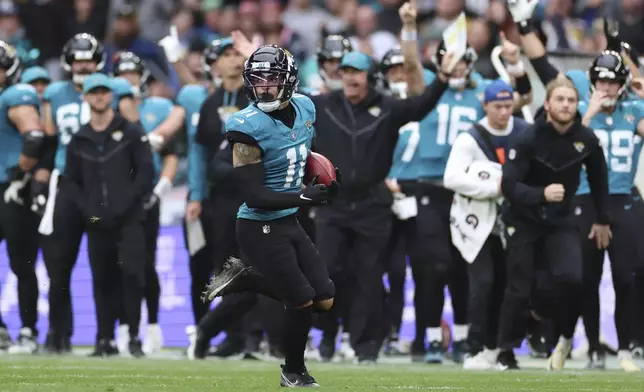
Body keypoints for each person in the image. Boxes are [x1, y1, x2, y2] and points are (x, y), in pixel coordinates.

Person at [505, 0, 644, 371]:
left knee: (628, 276)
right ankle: (588, 343)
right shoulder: (575, 100)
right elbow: (543, 66)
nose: (607, 86)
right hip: (582, 198)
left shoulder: (634, 107)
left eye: (614, 80)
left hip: (624, 199)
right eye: (602, 80)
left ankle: (627, 346)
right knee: (585, 277)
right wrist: (522, 24)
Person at [202, 45, 338, 387]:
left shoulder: (306, 106)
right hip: (257, 223)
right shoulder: (246, 125)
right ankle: (293, 371)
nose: (264, 87)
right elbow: (253, 193)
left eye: (272, 79)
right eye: (257, 81)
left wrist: (319, 179)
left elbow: (302, 155)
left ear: (289, 80)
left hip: (288, 219)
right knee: (301, 299)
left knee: (324, 298)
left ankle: (246, 279)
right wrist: (303, 196)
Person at [496, 77, 611, 370]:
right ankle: (505, 352)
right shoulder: (527, 138)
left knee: (572, 279)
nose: (566, 105)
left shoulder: (587, 139)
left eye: (571, 101)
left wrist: (602, 220)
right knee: (519, 288)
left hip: (560, 221)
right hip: (523, 219)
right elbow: (508, 185)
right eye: (560, 100)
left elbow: (599, 182)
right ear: (547, 105)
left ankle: (558, 335)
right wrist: (540, 194)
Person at [38, 33, 137, 354]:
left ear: (99, 62)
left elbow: (134, 136)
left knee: (106, 265)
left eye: (89, 59)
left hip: (104, 187)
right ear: (69, 61)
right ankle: (58, 333)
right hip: (67, 183)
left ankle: (107, 335)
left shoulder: (114, 90)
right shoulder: (55, 93)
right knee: (58, 263)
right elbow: (49, 139)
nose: (83, 65)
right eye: (78, 59)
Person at [65, 73, 154, 358]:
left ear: (111, 96)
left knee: (132, 275)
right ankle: (104, 338)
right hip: (96, 221)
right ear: (86, 97)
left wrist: (126, 203)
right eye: (94, 92)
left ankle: (133, 336)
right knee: (101, 278)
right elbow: (72, 182)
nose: (99, 96)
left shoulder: (130, 132)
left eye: (104, 91)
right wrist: (88, 211)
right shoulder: (79, 139)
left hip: (129, 218)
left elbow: (145, 173)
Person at [443, 80, 530, 370]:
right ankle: (476, 347)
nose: (504, 112)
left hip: (514, 221)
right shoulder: (471, 138)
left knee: (511, 286)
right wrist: (495, 186)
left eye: (508, 106)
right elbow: (452, 178)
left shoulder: (523, 131)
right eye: (498, 107)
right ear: (485, 106)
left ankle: (503, 349)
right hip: (477, 223)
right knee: (483, 283)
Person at [112, 51, 179, 355]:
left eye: (132, 74)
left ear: (142, 77)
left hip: (145, 196)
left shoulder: (159, 107)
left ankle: (151, 325)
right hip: (111, 198)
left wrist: (161, 188)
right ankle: (123, 326)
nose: (127, 80)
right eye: (121, 74)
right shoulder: (104, 107)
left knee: (145, 265)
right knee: (114, 265)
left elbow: (171, 154)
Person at [0, 40, 56, 354]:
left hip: (10, 188)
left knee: (21, 262)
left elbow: (34, 138)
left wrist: (19, 175)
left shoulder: (15, 94)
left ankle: (27, 330)